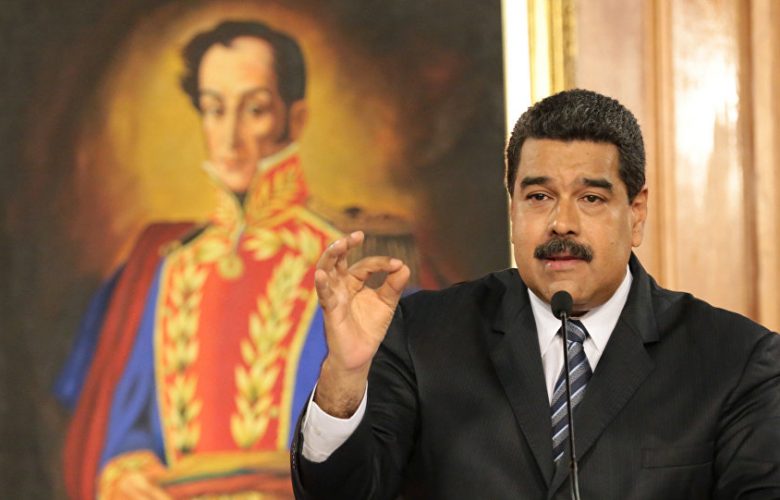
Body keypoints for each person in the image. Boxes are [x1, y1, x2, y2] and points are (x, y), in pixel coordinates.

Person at [290, 89, 780, 498]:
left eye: (591, 198)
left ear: (636, 214)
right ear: (513, 210)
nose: (561, 223)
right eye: (539, 197)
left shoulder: (735, 361)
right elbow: (343, 493)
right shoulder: (422, 335)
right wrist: (343, 376)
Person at [56, 20, 343, 499]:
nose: (229, 137)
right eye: (214, 109)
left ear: (295, 119)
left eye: (255, 110)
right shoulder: (168, 268)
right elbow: (128, 429)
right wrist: (127, 470)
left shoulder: (345, 260)